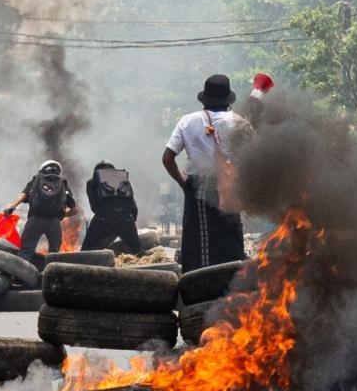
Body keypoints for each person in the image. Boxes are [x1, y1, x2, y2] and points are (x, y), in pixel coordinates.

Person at [162, 74, 251, 273]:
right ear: (228, 99)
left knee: (199, 244)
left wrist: (183, 183)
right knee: (231, 238)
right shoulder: (239, 123)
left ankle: (197, 288)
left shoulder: (187, 121)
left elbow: (167, 158)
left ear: (205, 99)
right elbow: (251, 161)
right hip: (230, 187)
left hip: (198, 188)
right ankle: (232, 286)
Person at [3, 160, 77, 261]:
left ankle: (18, 275)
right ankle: (50, 275)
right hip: (54, 222)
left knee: (26, 251)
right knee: (54, 255)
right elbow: (74, 210)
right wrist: (62, 215)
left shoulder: (37, 180)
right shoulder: (62, 184)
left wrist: (12, 206)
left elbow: (24, 194)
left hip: (35, 219)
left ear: (41, 170)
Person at [80, 160, 141, 254]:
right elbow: (133, 205)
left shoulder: (92, 182)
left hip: (104, 217)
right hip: (126, 217)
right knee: (138, 251)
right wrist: (130, 221)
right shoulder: (124, 180)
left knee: (85, 252)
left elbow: (94, 207)